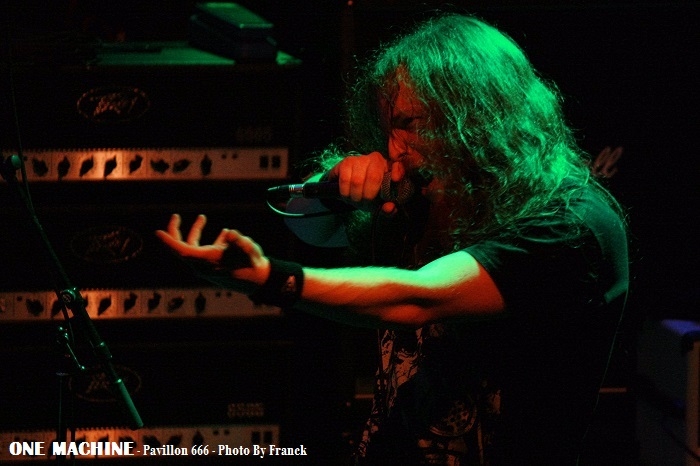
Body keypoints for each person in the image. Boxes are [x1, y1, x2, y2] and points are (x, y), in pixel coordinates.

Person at [157, 13, 629, 465]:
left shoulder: (571, 225)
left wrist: (269, 278)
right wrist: (336, 183)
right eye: (388, 128)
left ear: (476, 116)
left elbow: (420, 298)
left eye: (410, 125)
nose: (392, 148)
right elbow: (306, 225)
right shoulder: (424, 195)